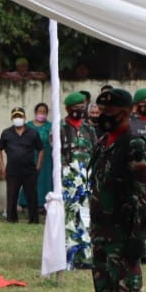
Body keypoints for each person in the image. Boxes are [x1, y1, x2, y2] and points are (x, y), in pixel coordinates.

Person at [81, 89, 146, 292]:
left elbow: (143, 195)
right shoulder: (103, 143)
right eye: (100, 111)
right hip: (102, 235)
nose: (102, 117)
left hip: (124, 236)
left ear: (125, 112)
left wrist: (138, 237)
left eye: (109, 113)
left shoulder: (133, 144)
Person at [61, 90, 98, 268]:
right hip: (68, 181)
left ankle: (86, 252)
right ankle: (69, 252)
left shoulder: (89, 129)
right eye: (76, 108)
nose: (79, 110)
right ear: (68, 109)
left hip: (87, 179)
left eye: (82, 107)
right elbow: (56, 154)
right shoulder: (60, 128)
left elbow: (96, 152)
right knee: (69, 216)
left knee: (87, 216)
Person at [0, 107, 44, 224]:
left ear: (24, 118)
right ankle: (12, 219)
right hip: (12, 170)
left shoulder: (33, 133)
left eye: (20, 116)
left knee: (32, 196)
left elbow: (41, 149)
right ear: (12, 118)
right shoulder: (6, 133)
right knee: (12, 195)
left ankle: (33, 221)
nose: (18, 119)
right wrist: (2, 167)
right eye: (15, 117)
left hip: (29, 170)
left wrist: (38, 165)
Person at [30, 103, 55, 212]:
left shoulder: (50, 126)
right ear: (36, 112)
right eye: (40, 112)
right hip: (31, 157)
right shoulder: (28, 126)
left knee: (45, 180)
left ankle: (44, 204)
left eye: (44, 112)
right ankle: (30, 203)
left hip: (46, 158)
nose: (42, 114)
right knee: (31, 180)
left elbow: (53, 141)